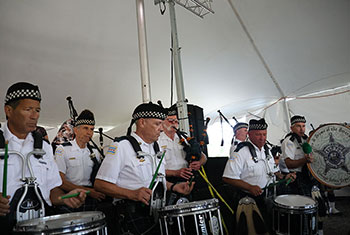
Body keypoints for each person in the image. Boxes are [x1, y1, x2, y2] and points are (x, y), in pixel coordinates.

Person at [94, 102, 194, 235]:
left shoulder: (156, 147)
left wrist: (173, 186)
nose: (162, 129)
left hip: (158, 211)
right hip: (132, 213)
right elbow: (100, 184)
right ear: (142, 122)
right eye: (157, 124)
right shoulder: (122, 146)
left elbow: (152, 178)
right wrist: (132, 194)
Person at [0, 82, 87, 234]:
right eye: (28, 110)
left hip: (39, 226)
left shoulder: (44, 147)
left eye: (37, 110)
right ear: (8, 110)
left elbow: (52, 189)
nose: (35, 116)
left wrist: (64, 198)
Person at [222, 118, 295, 233]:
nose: (262, 138)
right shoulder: (240, 151)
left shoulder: (267, 149)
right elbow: (227, 177)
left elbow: (274, 172)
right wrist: (249, 187)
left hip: (271, 199)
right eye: (258, 135)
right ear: (249, 134)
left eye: (264, 134)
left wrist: (284, 177)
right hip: (252, 201)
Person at [55, 109, 105, 212]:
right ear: (76, 130)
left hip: (91, 197)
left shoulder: (95, 152)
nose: (89, 133)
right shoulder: (63, 149)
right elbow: (60, 182)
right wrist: (88, 191)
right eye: (85, 128)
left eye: (91, 129)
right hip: (71, 196)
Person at [158, 105, 207, 183]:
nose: (174, 123)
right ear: (162, 122)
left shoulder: (185, 138)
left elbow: (203, 156)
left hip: (187, 178)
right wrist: (175, 173)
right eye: (170, 120)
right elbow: (152, 169)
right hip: (167, 181)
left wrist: (199, 163)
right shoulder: (157, 140)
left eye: (176, 121)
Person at [281, 115, 313, 196]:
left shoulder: (306, 139)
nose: (302, 129)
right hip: (295, 178)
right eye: (298, 126)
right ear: (291, 128)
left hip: (308, 176)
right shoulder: (289, 142)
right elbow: (289, 164)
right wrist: (305, 160)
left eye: (303, 126)